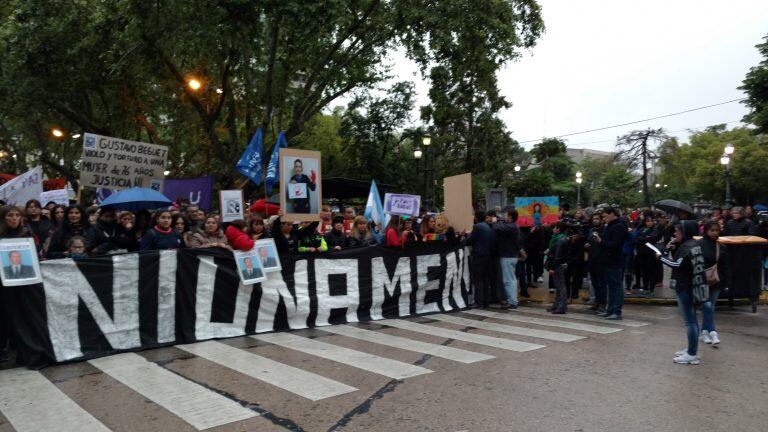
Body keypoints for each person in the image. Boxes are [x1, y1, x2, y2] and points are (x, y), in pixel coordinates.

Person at [657, 220, 709, 364]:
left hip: (686, 287)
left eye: (678, 231)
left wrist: (661, 258)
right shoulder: (693, 244)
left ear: (685, 232)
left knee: (690, 322)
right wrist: (669, 248)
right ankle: (691, 349)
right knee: (691, 321)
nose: (675, 233)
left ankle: (692, 354)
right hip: (691, 286)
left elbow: (677, 264)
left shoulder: (687, 247)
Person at [697, 220, 730, 346]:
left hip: (716, 281)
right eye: (712, 230)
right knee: (707, 306)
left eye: (716, 230)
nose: (714, 233)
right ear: (706, 230)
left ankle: (704, 331)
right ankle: (712, 331)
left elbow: (726, 266)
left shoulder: (721, 247)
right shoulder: (699, 244)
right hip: (702, 281)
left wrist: (726, 282)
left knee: (711, 307)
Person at [594, 207, 628, 320]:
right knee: (611, 286)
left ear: (612, 214)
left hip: (614, 261)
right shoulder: (610, 226)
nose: (603, 219)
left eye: (604, 216)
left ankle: (617, 311)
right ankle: (610, 310)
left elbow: (615, 245)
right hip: (608, 261)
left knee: (616, 287)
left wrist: (601, 241)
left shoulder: (619, 226)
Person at [493, 208, 521, 309]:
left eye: (506, 215)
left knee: (508, 280)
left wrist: (495, 222)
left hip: (508, 256)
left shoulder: (512, 226)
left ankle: (512, 301)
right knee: (511, 279)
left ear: (510, 217)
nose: (504, 216)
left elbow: (498, 228)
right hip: (511, 255)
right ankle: (513, 300)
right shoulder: (512, 226)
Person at [467, 211, 495, 309]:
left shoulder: (477, 227)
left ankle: (479, 302)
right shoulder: (488, 227)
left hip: (479, 255)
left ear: (476, 218)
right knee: (486, 279)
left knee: (478, 279)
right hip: (488, 255)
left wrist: (464, 237)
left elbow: (470, 240)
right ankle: (486, 301)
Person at [585, 213, 607, 313]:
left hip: (601, 260)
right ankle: (597, 302)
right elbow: (590, 241)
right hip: (591, 259)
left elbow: (605, 244)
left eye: (597, 219)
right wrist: (587, 244)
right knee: (594, 283)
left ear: (601, 220)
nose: (595, 220)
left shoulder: (605, 230)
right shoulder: (591, 230)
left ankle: (603, 303)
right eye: (593, 219)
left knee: (601, 283)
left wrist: (599, 240)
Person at [634, 214, 662, 295]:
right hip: (641, 254)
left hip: (651, 254)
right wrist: (645, 238)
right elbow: (636, 239)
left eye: (651, 221)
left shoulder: (655, 229)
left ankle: (651, 289)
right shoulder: (641, 228)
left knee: (651, 272)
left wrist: (643, 238)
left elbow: (653, 238)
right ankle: (645, 287)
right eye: (648, 221)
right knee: (644, 272)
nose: (650, 223)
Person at [545, 221, 569, 314]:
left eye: (554, 227)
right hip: (558, 265)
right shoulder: (559, 238)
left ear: (558, 229)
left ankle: (562, 307)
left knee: (560, 287)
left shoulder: (560, 239)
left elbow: (558, 256)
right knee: (558, 286)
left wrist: (552, 267)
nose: (553, 229)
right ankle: (557, 305)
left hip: (558, 265)